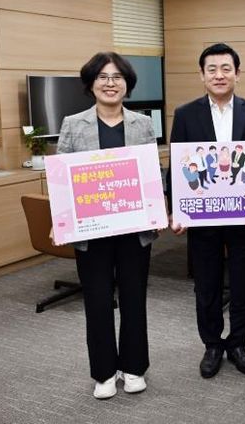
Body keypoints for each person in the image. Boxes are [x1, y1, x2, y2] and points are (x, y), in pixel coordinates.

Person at [56, 51, 156, 399]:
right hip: (91, 231)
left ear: (127, 84)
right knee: (97, 302)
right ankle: (103, 372)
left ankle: (134, 367)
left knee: (133, 299)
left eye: (117, 77)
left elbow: (151, 176)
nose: (110, 83)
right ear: (91, 83)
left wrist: (157, 212)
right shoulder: (73, 124)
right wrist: (61, 219)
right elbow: (61, 180)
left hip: (134, 230)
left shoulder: (143, 124)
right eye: (102, 77)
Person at [168, 43, 245, 379]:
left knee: (243, 284)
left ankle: (238, 344)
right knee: (207, 286)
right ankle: (212, 345)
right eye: (211, 69)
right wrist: (176, 210)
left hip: (244, 217)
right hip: (203, 215)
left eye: (226, 68)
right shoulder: (186, 114)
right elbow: (178, 166)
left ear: (237, 74)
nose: (219, 75)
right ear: (202, 75)